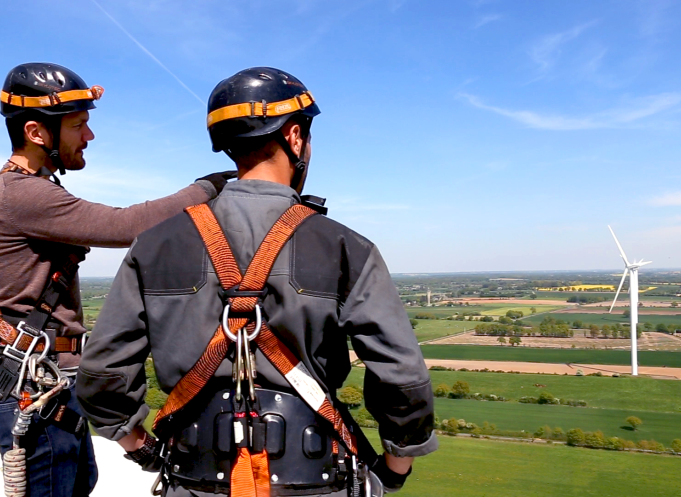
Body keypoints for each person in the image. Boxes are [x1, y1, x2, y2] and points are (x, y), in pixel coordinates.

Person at [77, 67, 437, 497]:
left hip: (193, 480)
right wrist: (394, 469)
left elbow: (101, 374)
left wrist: (144, 451)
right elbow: (402, 376)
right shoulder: (345, 247)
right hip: (315, 481)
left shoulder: (154, 245)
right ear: (295, 137)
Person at [0, 62, 234, 497]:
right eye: (79, 126)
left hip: (44, 386)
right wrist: (208, 187)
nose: (89, 137)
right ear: (36, 133)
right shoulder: (21, 194)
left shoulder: (27, 191)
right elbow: (128, 226)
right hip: (32, 392)